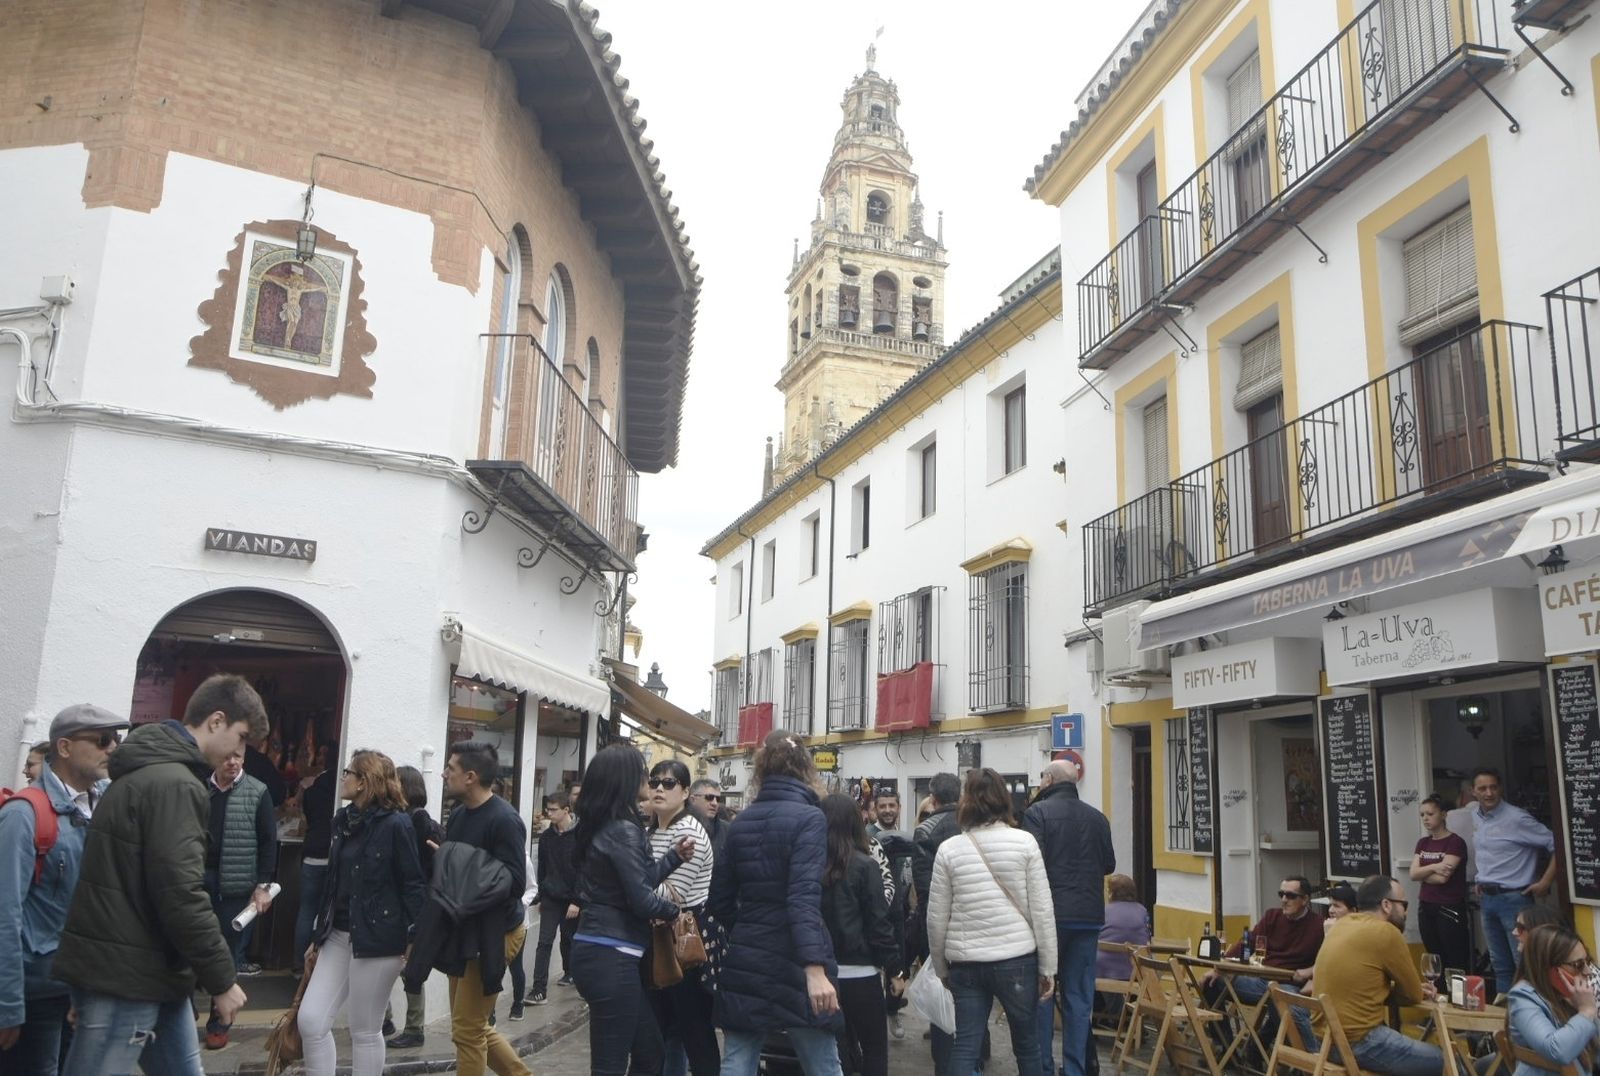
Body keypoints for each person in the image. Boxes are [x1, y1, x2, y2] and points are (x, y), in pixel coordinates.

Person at [56, 673, 268, 1076]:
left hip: (147, 971)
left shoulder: (147, 774)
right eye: (241, 737)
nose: (240, 751)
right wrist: (222, 981)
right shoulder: (175, 784)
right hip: (128, 976)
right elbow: (180, 892)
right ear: (216, 721)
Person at [708, 729, 843, 1076]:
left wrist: (748, 927)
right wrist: (815, 970)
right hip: (796, 958)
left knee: (737, 1060)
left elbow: (719, 900)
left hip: (748, 953)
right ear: (804, 767)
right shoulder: (810, 818)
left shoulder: (740, 823)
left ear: (761, 768)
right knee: (822, 1063)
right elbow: (802, 896)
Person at [0, 704, 126, 1075]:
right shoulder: (23, 815)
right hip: (36, 993)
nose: (112, 748)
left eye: (116, 740)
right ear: (65, 747)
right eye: (102, 740)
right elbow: (5, 914)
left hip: (83, 987)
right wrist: (8, 1005)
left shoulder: (105, 805)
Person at [403, 741, 531, 1076]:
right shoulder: (459, 814)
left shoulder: (505, 819)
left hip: (497, 934)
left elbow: (515, 883)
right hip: (464, 932)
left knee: (467, 1029)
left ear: (470, 776)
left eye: (451, 768)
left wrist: (454, 859)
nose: (444, 774)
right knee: (472, 1026)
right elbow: (458, 869)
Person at [299, 750, 424, 1076]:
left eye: (348, 772)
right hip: (338, 934)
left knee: (365, 1030)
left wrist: (415, 937)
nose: (343, 777)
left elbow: (412, 884)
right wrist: (318, 936)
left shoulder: (397, 824)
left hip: (379, 937)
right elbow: (332, 883)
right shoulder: (342, 821)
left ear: (364, 782)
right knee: (311, 1021)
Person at [928, 767, 1056, 1076]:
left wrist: (941, 967)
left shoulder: (949, 850)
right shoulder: (1025, 843)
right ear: (1004, 799)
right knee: (1028, 1045)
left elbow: (936, 916)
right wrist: (1048, 967)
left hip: (966, 961)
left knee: (965, 1045)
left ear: (966, 801)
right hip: (1017, 959)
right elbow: (1042, 910)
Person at [568, 745, 685, 1076]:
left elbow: (636, 883)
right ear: (626, 779)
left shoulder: (609, 826)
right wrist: (676, 912)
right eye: (644, 773)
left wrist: (673, 858)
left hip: (605, 953)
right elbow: (642, 900)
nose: (650, 780)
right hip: (610, 955)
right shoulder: (623, 829)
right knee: (611, 1065)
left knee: (650, 1054)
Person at [1024, 756, 1114, 1076]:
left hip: (1049, 916)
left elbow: (1030, 864)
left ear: (1049, 780)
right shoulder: (1098, 818)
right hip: (1088, 917)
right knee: (1079, 997)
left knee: (1044, 992)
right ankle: (1075, 1069)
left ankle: (1043, 1068)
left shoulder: (1037, 814)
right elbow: (1109, 865)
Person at [1309, 874, 1444, 1075]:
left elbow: (1358, 986)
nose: (1406, 912)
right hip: (1358, 1042)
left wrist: (1391, 989)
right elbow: (1412, 995)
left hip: (1323, 1042)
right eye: (1404, 905)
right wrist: (1415, 990)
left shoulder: (1341, 925)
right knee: (1446, 1060)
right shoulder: (1386, 932)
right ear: (1386, 905)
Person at [202, 744, 278, 1049]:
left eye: (238, 756)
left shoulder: (257, 791)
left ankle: (219, 1023)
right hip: (197, 880)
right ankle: (179, 1014)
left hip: (234, 886)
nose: (232, 762)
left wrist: (262, 885)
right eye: (227, 756)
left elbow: (268, 841)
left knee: (227, 955)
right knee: (187, 948)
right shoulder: (199, 789)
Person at [645, 759, 719, 1076]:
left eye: (669, 783)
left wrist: (630, 885)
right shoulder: (651, 830)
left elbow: (670, 894)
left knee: (694, 1029)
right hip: (655, 938)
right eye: (654, 782)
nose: (659, 789)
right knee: (663, 1029)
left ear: (685, 792)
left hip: (685, 939)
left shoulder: (690, 833)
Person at [819, 793, 900, 1076]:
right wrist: (895, 969)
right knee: (874, 1048)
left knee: (834, 1051)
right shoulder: (865, 865)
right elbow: (879, 923)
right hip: (862, 972)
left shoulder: (809, 864)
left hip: (821, 973)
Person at [1470, 767, 1557, 996]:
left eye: (1493, 787)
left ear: (1500, 789)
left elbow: (1557, 843)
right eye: (1482, 788)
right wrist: (1482, 878)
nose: (1489, 793)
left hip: (1515, 899)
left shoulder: (1517, 818)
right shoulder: (1476, 817)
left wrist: (1546, 881)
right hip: (1487, 899)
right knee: (1500, 965)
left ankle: (1531, 1012)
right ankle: (1505, 1015)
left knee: (1524, 963)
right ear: (1474, 792)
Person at [386, 764, 444, 1050]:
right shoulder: (405, 818)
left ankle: (413, 1027)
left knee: (409, 967)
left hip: (413, 906)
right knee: (391, 964)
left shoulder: (418, 821)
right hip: (402, 904)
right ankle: (391, 1020)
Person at [1505, 923, 1600, 1075]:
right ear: (1549, 969)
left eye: (1587, 961)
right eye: (1578, 965)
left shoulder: (1570, 996)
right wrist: (1586, 1011)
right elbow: (1557, 1051)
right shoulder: (1523, 997)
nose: (1588, 971)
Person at [1410, 793, 1471, 989]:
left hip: (1449, 907)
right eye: (1422, 815)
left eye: (1430, 814)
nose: (1426, 819)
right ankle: (1439, 996)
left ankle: (1457, 999)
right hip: (1426, 905)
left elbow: (1443, 877)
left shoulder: (1455, 842)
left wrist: (1424, 872)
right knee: (1434, 957)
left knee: (1454, 957)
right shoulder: (1423, 843)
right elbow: (1413, 873)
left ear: (1443, 814)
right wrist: (1434, 866)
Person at [527, 790, 578, 1006]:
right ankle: (539, 990)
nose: (549, 813)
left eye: (554, 810)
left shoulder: (579, 836)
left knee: (571, 940)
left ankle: (574, 976)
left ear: (566, 810)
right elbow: (543, 867)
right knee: (544, 942)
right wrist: (541, 894)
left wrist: (577, 901)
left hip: (572, 899)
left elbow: (585, 870)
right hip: (551, 897)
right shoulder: (546, 837)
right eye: (548, 809)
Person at [295, 763, 337, 978]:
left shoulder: (312, 793)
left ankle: (297, 965)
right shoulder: (338, 792)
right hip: (330, 855)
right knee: (326, 913)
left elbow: (308, 818)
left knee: (306, 910)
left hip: (311, 854)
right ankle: (317, 968)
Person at [1096, 874, 1151, 984]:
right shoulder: (1142, 911)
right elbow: (1147, 938)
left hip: (1103, 972)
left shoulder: (1103, 911)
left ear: (1111, 894)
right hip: (1136, 972)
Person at [689, 779, 729, 859]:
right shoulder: (679, 826)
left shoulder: (727, 830)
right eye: (709, 797)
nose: (715, 803)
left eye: (718, 799)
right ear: (693, 800)